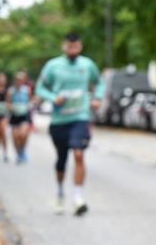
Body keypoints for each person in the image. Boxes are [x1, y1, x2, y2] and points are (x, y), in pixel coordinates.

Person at [35, 32, 104, 215]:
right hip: (59, 121)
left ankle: (78, 198)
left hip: (80, 117)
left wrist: (97, 98)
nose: (73, 49)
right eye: (69, 46)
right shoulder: (53, 66)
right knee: (61, 160)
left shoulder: (87, 65)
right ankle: (59, 193)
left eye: (76, 46)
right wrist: (52, 97)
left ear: (80, 46)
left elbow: (99, 82)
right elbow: (40, 88)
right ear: (63, 46)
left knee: (79, 154)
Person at [8, 70, 34, 164]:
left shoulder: (27, 90)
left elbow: (30, 101)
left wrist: (28, 106)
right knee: (15, 137)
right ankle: (18, 153)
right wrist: (11, 107)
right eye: (17, 80)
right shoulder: (11, 91)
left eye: (21, 80)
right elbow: (8, 103)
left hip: (24, 115)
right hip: (15, 115)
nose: (19, 82)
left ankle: (22, 150)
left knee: (23, 135)